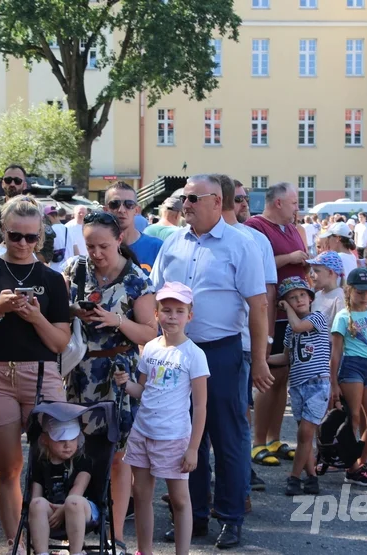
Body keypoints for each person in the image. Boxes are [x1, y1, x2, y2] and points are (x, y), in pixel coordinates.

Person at [151, 174, 272, 549]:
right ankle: (194, 515)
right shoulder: (173, 242)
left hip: (221, 352)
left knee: (228, 437)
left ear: (216, 201)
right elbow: (156, 294)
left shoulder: (241, 244)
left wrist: (261, 360)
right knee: (186, 437)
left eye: (191, 198)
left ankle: (231, 517)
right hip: (178, 352)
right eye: (183, 199)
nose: (184, 205)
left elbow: (258, 305)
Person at [0, 195, 71, 552]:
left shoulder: (53, 280)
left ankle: (48, 534)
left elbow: (59, 344)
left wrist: (35, 316)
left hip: (41, 375)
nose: (23, 244)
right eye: (15, 236)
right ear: (1, 233)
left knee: (57, 458)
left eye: (31, 237)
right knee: (7, 467)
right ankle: (17, 543)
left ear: (41, 237)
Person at [63, 211, 158, 555]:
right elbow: (62, 308)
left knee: (118, 456)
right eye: (90, 245)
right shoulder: (77, 268)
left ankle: (116, 535)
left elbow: (150, 332)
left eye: (103, 245)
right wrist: (78, 311)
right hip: (79, 370)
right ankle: (81, 524)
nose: (97, 253)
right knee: (77, 449)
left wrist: (115, 319)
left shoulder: (137, 281)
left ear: (119, 240)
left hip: (117, 374)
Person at [114, 282, 209, 555]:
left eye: (180, 311)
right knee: (142, 496)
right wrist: (125, 383)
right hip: (142, 432)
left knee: (179, 501)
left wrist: (193, 448)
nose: (172, 317)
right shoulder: (152, 348)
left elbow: (201, 406)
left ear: (189, 316)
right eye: (166, 310)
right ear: (156, 314)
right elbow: (142, 390)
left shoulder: (194, 355)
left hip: (173, 437)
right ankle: (144, 550)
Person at [244, 181, 307, 468]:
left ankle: (274, 437)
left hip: (293, 312)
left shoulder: (292, 228)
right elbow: (258, 264)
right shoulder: (256, 227)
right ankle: (258, 441)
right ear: (278, 202)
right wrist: (290, 258)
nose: (297, 208)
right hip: (272, 312)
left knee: (283, 377)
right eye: (294, 202)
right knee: (268, 377)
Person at [223, 176, 276, 492]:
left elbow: (265, 296)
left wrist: (265, 345)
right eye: (239, 198)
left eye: (245, 199)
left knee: (239, 415)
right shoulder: (190, 237)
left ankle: (240, 480)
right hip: (206, 343)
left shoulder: (255, 240)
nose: (244, 204)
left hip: (243, 343)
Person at [267, 278, 330, 497]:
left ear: (310, 298)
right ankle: (312, 478)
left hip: (317, 384)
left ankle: (293, 478)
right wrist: (260, 359)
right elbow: (285, 357)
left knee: (304, 434)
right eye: (292, 298)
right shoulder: (289, 331)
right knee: (305, 435)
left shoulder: (317, 318)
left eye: (302, 295)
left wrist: (286, 309)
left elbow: (297, 326)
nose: (298, 300)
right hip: (297, 386)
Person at [329, 268, 367, 486]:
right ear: (349, 290)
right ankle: (352, 467)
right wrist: (333, 382)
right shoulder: (343, 317)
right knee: (353, 418)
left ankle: (361, 461)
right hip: (351, 367)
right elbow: (336, 354)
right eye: (360, 292)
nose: (365, 297)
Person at [28, 416, 98, 555]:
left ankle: (76, 552)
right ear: (45, 439)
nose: (67, 445)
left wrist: (63, 510)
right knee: (36, 504)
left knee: (73, 501)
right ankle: (42, 552)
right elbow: (35, 496)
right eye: (60, 440)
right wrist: (37, 507)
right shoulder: (42, 462)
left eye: (72, 439)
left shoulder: (82, 460)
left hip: (82, 508)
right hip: (53, 509)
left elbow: (79, 487)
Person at [104, 181, 162, 274]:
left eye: (129, 204)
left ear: (136, 210)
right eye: (114, 204)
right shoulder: (98, 249)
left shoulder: (157, 248)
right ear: (106, 210)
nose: (121, 210)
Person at [307, 251, 346, 328]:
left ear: (330, 272)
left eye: (316, 271)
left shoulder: (340, 297)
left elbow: (342, 328)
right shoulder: (317, 295)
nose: (311, 275)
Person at [44, 205, 74, 272]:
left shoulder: (49, 231)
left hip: (55, 270)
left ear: (48, 217)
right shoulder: (68, 228)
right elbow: (75, 249)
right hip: (69, 269)